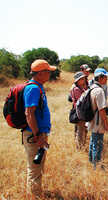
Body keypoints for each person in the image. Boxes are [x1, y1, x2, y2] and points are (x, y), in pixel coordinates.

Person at [22, 59, 56, 198]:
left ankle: (36, 193)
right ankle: (35, 196)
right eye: (48, 72)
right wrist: (37, 136)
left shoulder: (38, 86)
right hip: (34, 135)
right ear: (41, 73)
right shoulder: (33, 88)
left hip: (38, 134)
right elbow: (29, 114)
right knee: (34, 169)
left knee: (38, 166)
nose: (50, 74)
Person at [88, 68, 108, 169]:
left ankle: (91, 161)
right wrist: (106, 123)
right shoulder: (99, 91)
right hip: (98, 121)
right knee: (98, 144)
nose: (107, 79)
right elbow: (102, 110)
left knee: (93, 141)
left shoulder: (91, 88)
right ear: (100, 77)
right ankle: (96, 166)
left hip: (92, 119)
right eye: (105, 77)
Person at [70, 71, 88, 149]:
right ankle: (80, 147)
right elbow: (81, 100)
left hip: (82, 110)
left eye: (84, 78)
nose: (83, 80)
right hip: (79, 111)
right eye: (82, 79)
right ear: (78, 80)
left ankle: (80, 144)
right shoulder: (76, 89)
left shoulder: (81, 87)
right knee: (80, 129)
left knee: (81, 128)